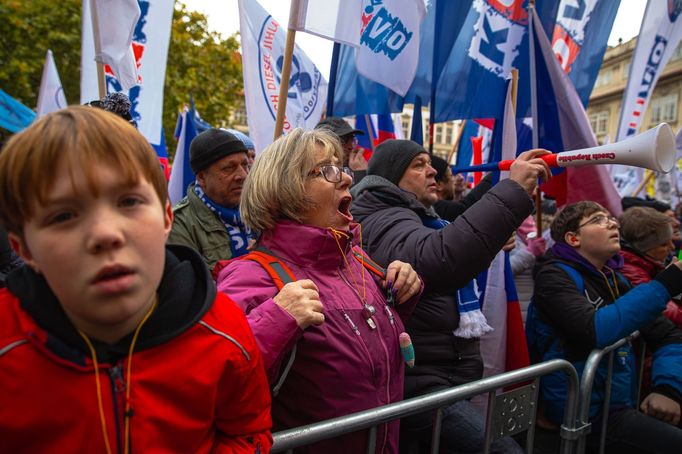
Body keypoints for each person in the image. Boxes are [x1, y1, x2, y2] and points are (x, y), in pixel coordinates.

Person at [0, 107, 272, 452]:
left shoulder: (224, 327)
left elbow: (247, 433)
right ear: (22, 247)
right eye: (64, 215)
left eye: (129, 201)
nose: (105, 233)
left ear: (165, 217)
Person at [216, 128, 422, 453]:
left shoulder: (357, 261)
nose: (345, 179)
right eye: (326, 170)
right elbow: (215, 381)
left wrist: (401, 294)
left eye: (341, 168)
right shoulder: (250, 275)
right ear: (285, 190)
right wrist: (276, 320)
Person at [350, 139, 551, 453]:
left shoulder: (413, 216)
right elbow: (441, 258)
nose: (432, 171)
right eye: (419, 164)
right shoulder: (385, 217)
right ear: (393, 175)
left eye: (429, 163)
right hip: (423, 385)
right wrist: (512, 190)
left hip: (438, 379)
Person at [529, 201, 682, 453]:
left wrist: (668, 389)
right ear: (573, 238)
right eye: (599, 220)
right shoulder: (553, 277)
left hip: (621, 403)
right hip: (584, 416)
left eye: (611, 218)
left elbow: (668, 335)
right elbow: (596, 330)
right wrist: (665, 284)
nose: (613, 222)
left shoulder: (615, 279)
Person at [168, 128, 255, 272]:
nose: (243, 175)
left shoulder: (260, 211)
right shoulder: (179, 224)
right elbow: (191, 289)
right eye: (229, 168)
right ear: (202, 178)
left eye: (245, 165)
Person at [430, 155, 494, 222]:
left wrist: (457, 195)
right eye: (451, 176)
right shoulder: (434, 207)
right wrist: (494, 175)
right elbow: (464, 209)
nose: (453, 179)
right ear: (439, 185)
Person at [315, 117, 368, 184]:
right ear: (324, 143)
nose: (350, 147)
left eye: (352, 141)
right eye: (343, 140)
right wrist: (360, 174)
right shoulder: (315, 174)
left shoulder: (350, 168)